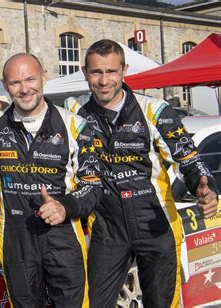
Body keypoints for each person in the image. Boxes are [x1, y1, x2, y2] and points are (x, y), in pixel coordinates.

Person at [64, 39, 219, 307]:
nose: (103, 80)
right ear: (85, 72)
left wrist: (205, 188)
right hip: (107, 228)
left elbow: (189, 160)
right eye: (96, 72)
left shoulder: (154, 110)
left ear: (124, 70)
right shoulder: (74, 111)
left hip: (155, 226)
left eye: (111, 71)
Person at [0, 53, 103, 307]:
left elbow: (93, 186)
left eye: (30, 79)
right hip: (16, 240)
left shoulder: (75, 126)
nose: (24, 88)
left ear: (44, 77)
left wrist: (65, 206)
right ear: (5, 85)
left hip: (63, 239)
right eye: (15, 83)